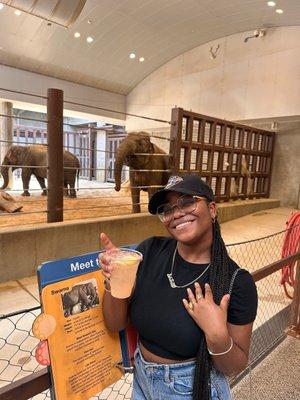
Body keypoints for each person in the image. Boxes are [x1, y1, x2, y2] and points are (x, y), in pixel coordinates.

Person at [100, 174, 258, 400]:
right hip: (142, 381)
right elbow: (115, 323)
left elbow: (234, 366)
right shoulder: (150, 250)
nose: (176, 213)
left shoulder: (236, 281)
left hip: (193, 389)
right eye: (167, 209)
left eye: (187, 202)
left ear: (212, 209)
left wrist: (217, 336)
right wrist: (115, 278)